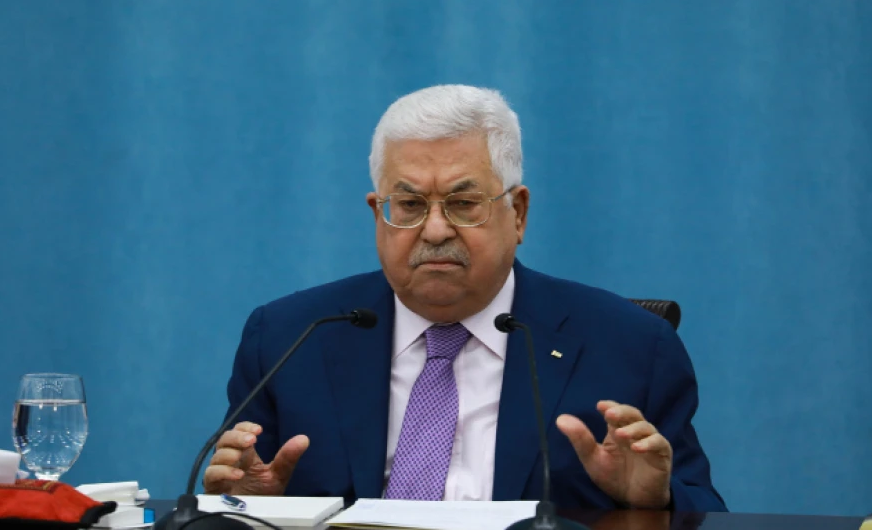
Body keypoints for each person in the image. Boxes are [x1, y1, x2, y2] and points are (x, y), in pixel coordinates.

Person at [204, 85, 726, 511]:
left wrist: (656, 503)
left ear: (517, 214)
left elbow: (706, 511)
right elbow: (238, 498)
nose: (434, 230)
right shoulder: (289, 338)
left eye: (463, 202)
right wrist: (244, 510)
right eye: (407, 204)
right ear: (377, 214)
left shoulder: (631, 347)